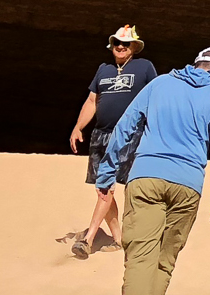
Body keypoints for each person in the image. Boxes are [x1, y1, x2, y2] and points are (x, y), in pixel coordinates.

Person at [98, 46, 210, 295]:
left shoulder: (159, 84)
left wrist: (107, 171)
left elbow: (126, 125)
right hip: (187, 185)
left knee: (139, 258)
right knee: (164, 260)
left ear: (197, 63)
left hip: (146, 177)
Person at [67, 27, 158, 258]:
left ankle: (88, 240)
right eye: (117, 42)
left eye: (126, 44)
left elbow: (156, 98)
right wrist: (78, 127)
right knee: (102, 188)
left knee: (116, 186)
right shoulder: (103, 70)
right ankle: (118, 239)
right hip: (101, 135)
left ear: (134, 48)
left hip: (130, 134)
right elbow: (91, 100)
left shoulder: (144, 67)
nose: (121, 46)